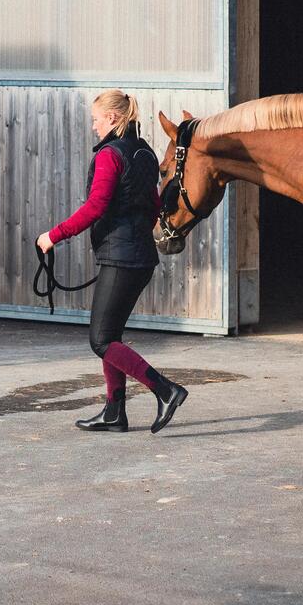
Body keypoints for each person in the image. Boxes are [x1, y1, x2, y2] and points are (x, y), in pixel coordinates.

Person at [38, 90, 188, 434]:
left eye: (96, 119)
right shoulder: (144, 152)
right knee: (112, 336)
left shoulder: (110, 154)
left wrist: (53, 235)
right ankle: (114, 412)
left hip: (122, 257)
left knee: (101, 340)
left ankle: (165, 390)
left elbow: (95, 207)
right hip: (139, 257)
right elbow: (152, 205)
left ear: (113, 119)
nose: (93, 126)